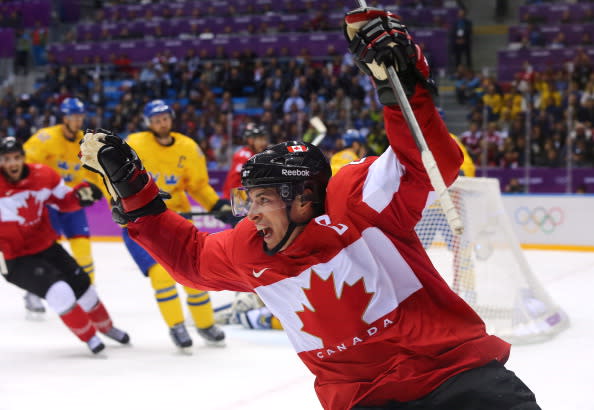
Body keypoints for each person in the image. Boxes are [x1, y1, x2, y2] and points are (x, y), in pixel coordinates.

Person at [80, 9, 540, 410]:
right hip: (364, 401)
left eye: (263, 200)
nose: (252, 214)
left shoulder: (358, 204)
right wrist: (134, 190)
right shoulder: (250, 248)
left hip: (457, 377)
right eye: (250, 200)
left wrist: (401, 81)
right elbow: (191, 259)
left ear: (303, 199)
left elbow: (429, 160)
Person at [118, 100, 230, 349]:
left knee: (195, 273)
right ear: (149, 123)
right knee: (161, 276)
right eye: (156, 119)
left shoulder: (188, 147)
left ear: (171, 119)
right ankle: (177, 326)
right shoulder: (135, 144)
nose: (161, 123)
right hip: (141, 223)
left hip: (175, 222)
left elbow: (198, 185)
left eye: (164, 118)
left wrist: (216, 205)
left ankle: (205, 324)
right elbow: (113, 178)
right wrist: (120, 206)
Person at [0, 137, 128, 354]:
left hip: (45, 245)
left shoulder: (43, 175)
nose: (12, 163)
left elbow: (64, 199)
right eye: (6, 159)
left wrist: (80, 196)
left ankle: (108, 328)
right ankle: (90, 338)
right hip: (13, 258)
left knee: (83, 286)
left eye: (16, 158)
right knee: (60, 292)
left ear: (23, 158)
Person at [23, 98, 103, 314]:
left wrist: (99, 192)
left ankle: (88, 293)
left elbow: (94, 174)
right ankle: (33, 293)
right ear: (64, 118)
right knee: (45, 253)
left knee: (84, 252)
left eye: (80, 117)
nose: (78, 121)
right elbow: (26, 165)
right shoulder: (45, 138)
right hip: (49, 204)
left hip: (74, 203)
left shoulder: (86, 142)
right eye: (73, 117)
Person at [221, 123, 270, 199]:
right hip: (235, 202)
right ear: (250, 140)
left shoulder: (256, 155)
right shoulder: (243, 156)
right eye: (260, 139)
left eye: (265, 139)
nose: (264, 143)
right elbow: (234, 182)